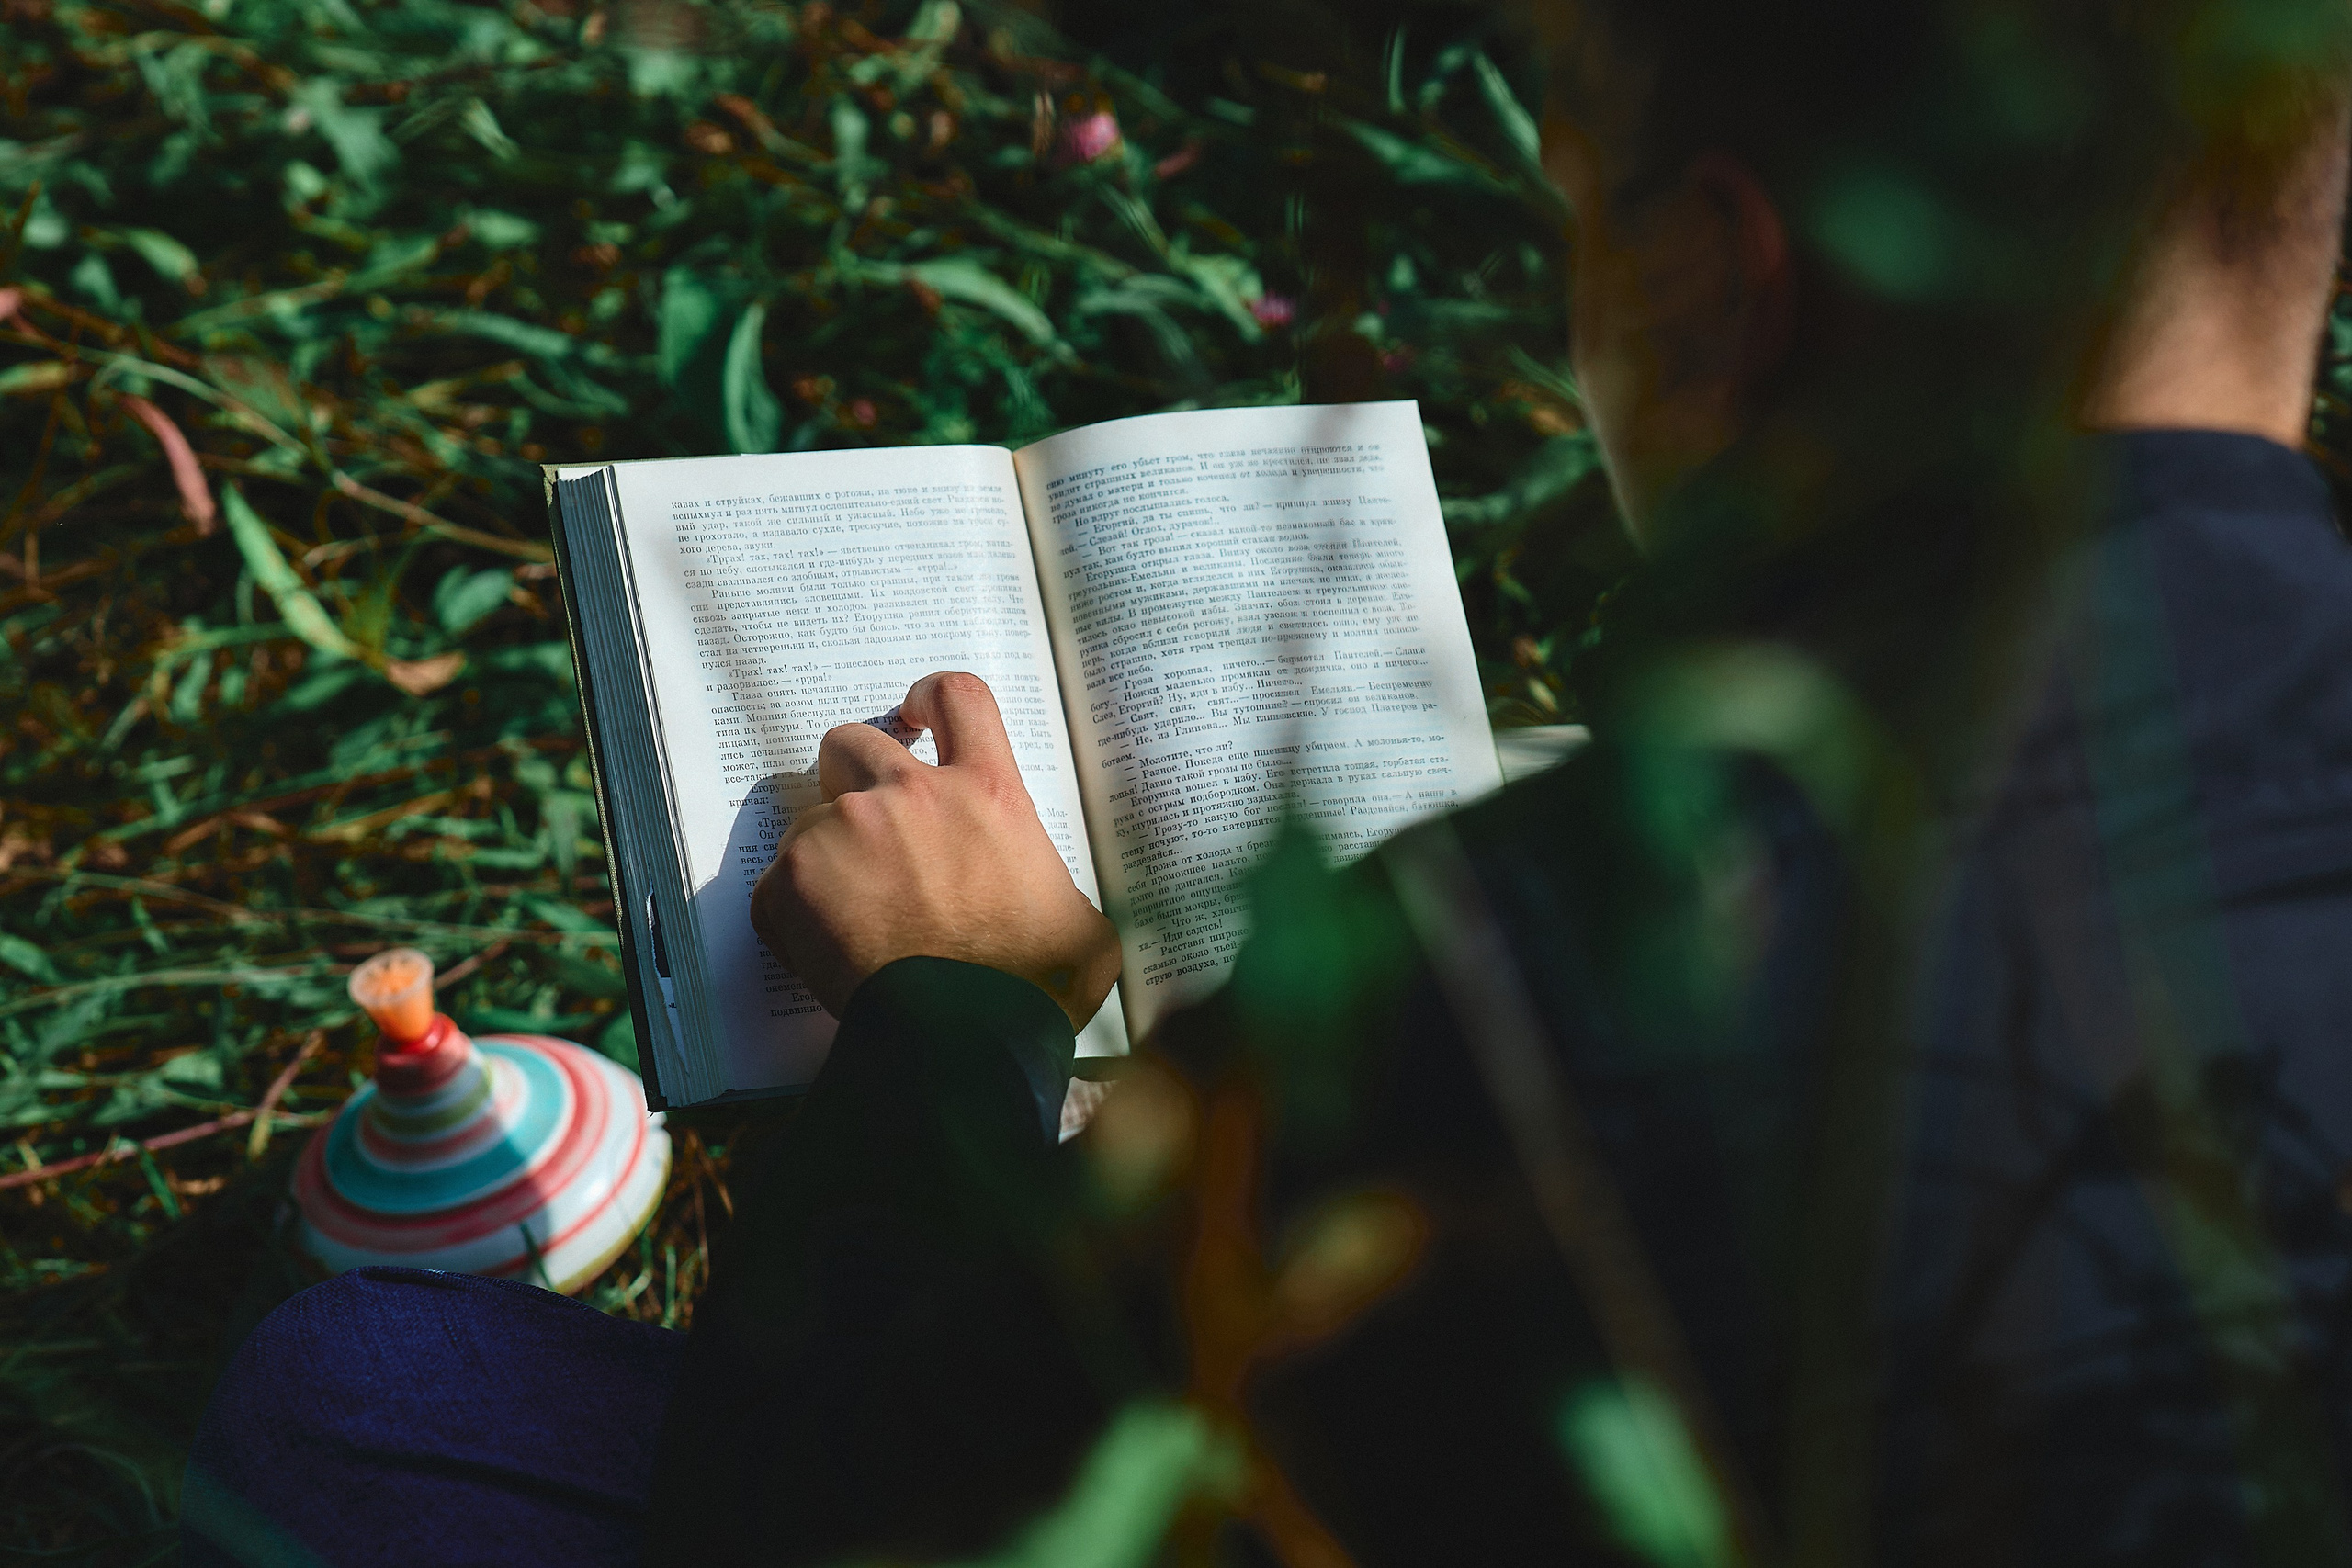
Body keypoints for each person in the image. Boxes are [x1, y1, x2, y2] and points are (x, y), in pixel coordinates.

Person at [183, 1, 2352, 1563]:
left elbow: (868, 1520)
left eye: (1577, 220)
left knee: (357, 1406)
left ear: (1720, 271)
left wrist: (963, 1002)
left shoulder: (1533, 976)